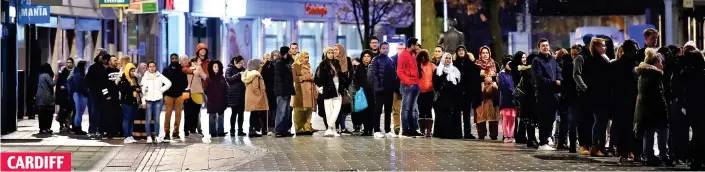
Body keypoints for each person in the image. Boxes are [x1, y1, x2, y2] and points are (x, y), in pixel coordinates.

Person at [634, 48, 670, 166]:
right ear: (655, 63)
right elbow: (658, 95)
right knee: (662, 130)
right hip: (655, 109)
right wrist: (664, 110)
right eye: (660, 62)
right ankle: (662, 154)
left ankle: (648, 155)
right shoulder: (655, 75)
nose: (662, 64)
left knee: (648, 132)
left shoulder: (643, 74)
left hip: (645, 108)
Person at [609, 40, 639, 163]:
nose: (636, 51)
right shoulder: (624, 65)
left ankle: (628, 152)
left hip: (626, 100)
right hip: (625, 100)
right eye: (634, 49)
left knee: (627, 128)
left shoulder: (634, 64)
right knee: (627, 128)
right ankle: (627, 152)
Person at [532, 39, 562, 150]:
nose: (545, 47)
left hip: (554, 93)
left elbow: (558, 71)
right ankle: (542, 142)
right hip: (543, 94)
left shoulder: (552, 59)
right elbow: (539, 79)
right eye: (543, 46)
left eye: (547, 45)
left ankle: (547, 138)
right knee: (544, 118)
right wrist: (553, 83)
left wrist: (559, 79)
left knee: (551, 118)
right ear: (539, 48)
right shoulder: (537, 60)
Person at [681, 49, 705, 170]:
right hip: (701, 106)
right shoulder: (702, 73)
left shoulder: (686, 73)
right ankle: (699, 158)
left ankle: (695, 159)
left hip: (691, 107)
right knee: (700, 133)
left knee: (696, 133)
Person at [316, 47, 347, 137]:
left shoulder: (336, 63)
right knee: (329, 110)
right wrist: (321, 87)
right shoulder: (323, 64)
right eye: (329, 52)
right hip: (328, 88)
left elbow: (340, 74)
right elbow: (319, 79)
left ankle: (330, 128)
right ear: (325, 54)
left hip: (338, 87)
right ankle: (331, 129)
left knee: (337, 109)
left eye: (332, 52)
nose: (331, 54)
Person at [368, 44, 397, 138]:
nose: (385, 50)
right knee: (378, 110)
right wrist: (377, 88)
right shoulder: (376, 60)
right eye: (383, 48)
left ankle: (388, 130)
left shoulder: (391, 60)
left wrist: (394, 87)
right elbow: (373, 75)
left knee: (388, 110)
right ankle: (376, 130)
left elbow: (394, 75)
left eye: (387, 48)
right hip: (380, 89)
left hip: (389, 89)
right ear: (380, 49)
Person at [397, 38, 423, 137]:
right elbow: (399, 72)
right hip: (407, 85)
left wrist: (417, 83)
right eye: (416, 45)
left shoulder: (413, 54)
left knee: (412, 109)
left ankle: (412, 129)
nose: (417, 47)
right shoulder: (403, 55)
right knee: (406, 108)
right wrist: (409, 82)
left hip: (415, 84)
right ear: (412, 45)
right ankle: (405, 129)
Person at [432, 53, 462, 139]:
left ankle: (454, 134)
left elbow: (459, 83)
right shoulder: (438, 70)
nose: (448, 60)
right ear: (443, 59)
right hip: (442, 97)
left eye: (449, 58)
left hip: (453, 97)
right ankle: (442, 133)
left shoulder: (455, 70)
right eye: (446, 58)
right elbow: (436, 84)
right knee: (443, 115)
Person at [453, 45, 480, 139]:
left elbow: (475, 76)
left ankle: (467, 133)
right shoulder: (454, 64)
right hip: (457, 93)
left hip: (467, 93)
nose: (461, 52)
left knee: (467, 114)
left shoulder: (470, 63)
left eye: (462, 50)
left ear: (465, 51)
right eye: (459, 50)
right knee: (456, 113)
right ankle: (457, 132)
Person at [141, 61, 172, 143]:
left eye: (153, 66)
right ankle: (148, 136)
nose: (152, 68)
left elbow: (169, 83)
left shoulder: (159, 76)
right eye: (150, 66)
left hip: (158, 100)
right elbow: (142, 91)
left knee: (157, 119)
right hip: (148, 100)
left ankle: (157, 136)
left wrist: (161, 90)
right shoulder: (144, 78)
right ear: (147, 68)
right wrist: (143, 102)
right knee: (148, 119)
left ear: (155, 67)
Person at [475, 46, 500, 140]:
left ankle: (494, 134)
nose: (485, 55)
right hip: (480, 93)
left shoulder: (494, 64)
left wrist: (492, 80)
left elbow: (498, 78)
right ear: (480, 54)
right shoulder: (476, 64)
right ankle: (481, 134)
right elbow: (473, 78)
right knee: (480, 113)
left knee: (493, 113)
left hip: (492, 94)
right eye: (483, 53)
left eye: (487, 53)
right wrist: (483, 79)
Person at [162, 53, 188, 139]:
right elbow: (162, 82)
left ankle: (176, 132)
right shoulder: (166, 70)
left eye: (175, 58)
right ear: (170, 59)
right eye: (172, 58)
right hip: (168, 95)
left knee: (178, 115)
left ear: (178, 59)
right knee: (167, 114)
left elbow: (185, 82)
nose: (174, 60)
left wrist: (182, 90)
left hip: (179, 95)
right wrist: (164, 93)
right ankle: (166, 132)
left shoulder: (182, 69)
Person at [292, 51, 317, 135]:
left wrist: (312, 78)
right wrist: (305, 77)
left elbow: (312, 76)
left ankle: (307, 128)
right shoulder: (295, 65)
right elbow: (294, 78)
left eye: (308, 57)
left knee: (308, 111)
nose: (307, 59)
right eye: (305, 57)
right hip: (300, 91)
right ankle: (298, 129)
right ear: (301, 58)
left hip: (309, 90)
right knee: (299, 111)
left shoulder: (309, 66)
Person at [242, 58, 268, 137]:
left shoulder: (248, 73)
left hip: (250, 97)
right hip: (255, 97)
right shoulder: (255, 75)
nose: (261, 65)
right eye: (259, 64)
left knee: (253, 114)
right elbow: (255, 87)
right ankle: (253, 131)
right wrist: (259, 95)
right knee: (255, 114)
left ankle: (252, 130)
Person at [274, 45, 296, 137]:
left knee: (287, 111)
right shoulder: (279, 63)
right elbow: (281, 78)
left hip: (287, 91)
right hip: (281, 91)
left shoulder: (287, 63)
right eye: (289, 53)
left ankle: (285, 129)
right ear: (285, 53)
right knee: (281, 111)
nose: (291, 54)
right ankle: (279, 130)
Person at [183, 56, 207, 138]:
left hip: (189, 93)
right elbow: (205, 77)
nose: (201, 61)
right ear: (196, 61)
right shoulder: (198, 67)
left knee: (189, 113)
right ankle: (193, 132)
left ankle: (188, 131)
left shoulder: (189, 68)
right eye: (200, 60)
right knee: (196, 113)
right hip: (196, 93)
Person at [117, 63, 141, 143]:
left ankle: (130, 135)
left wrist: (138, 89)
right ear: (128, 71)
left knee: (132, 119)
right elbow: (124, 90)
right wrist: (134, 88)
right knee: (126, 119)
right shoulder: (123, 80)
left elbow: (137, 88)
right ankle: (126, 136)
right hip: (126, 102)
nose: (133, 73)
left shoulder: (135, 79)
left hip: (134, 101)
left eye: (134, 71)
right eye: (131, 71)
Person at [334, 44, 355, 135]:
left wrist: (346, 85)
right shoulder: (332, 60)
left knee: (343, 108)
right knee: (336, 108)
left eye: (336, 50)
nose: (335, 52)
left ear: (341, 50)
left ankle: (342, 127)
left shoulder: (347, 60)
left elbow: (351, 73)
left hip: (344, 88)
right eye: (334, 50)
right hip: (334, 87)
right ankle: (339, 127)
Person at [204, 60, 227, 140]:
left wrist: (225, 99)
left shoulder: (222, 77)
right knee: (212, 117)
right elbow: (205, 90)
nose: (216, 68)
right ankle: (213, 133)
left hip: (221, 100)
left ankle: (220, 132)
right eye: (214, 67)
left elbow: (225, 89)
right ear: (211, 68)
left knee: (221, 117)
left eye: (217, 66)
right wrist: (210, 97)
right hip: (211, 101)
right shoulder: (208, 78)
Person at [355, 50, 375, 136]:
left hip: (372, 92)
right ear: (362, 58)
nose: (366, 58)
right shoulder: (359, 67)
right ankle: (366, 128)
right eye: (364, 56)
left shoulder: (374, 66)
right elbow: (356, 79)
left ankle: (371, 129)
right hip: (362, 92)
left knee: (372, 111)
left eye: (368, 56)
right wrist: (358, 88)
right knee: (364, 111)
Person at [226, 56, 247, 136]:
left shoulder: (244, 69)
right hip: (233, 95)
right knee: (234, 113)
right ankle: (232, 130)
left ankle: (240, 130)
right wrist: (238, 75)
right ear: (235, 62)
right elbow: (228, 79)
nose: (241, 64)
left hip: (242, 94)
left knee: (241, 114)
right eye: (240, 63)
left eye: (242, 63)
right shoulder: (229, 69)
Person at [388, 43, 406, 137]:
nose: (401, 50)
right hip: (396, 88)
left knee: (408, 108)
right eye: (399, 48)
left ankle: (407, 126)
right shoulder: (391, 59)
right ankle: (397, 126)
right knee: (396, 108)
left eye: (402, 48)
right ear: (396, 49)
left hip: (407, 86)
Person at [417, 50, 436, 137]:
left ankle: (429, 130)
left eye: (424, 56)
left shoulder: (432, 66)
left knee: (428, 110)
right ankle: (422, 129)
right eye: (421, 57)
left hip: (429, 92)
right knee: (421, 111)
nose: (423, 58)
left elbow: (436, 78)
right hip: (419, 92)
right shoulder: (417, 66)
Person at [498, 57, 517, 143]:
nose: (510, 66)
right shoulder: (501, 74)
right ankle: (506, 135)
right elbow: (502, 86)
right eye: (508, 64)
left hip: (513, 100)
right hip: (505, 99)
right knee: (506, 118)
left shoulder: (513, 73)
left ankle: (511, 135)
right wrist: (512, 91)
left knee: (512, 118)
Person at [35, 63, 58, 134]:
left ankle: (42, 128)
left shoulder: (40, 76)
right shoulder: (46, 75)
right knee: (48, 114)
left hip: (39, 98)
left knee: (41, 114)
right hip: (47, 98)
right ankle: (47, 128)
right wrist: (56, 78)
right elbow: (52, 84)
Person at [103, 56, 122, 138]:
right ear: (109, 62)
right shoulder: (105, 71)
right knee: (108, 114)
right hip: (109, 96)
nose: (116, 61)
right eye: (114, 60)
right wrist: (106, 95)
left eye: (116, 60)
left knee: (117, 114)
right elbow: (102, 84)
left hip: (117, 96)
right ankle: (108, 131)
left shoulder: (119, 71)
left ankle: (116, 131)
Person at [69, 60, 89, 135]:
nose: (85, 67)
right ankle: (77, 128)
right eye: (85, 66)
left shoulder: (76, 74)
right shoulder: (79, 75)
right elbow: (79, 86)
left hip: (78, 94)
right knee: (78, 112)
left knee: (79, 112)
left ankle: (77, 127)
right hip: (79, 94)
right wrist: (85, 92)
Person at [56, 58, 75, 133]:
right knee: (63, 111)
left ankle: (68, 126)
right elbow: (60, 83)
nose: (68, 64)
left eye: (70, 62)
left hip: (70, 95)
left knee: (69, 111)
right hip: (63, 96)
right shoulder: (64, 72)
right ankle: (62, 126)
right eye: (67, 62)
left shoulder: (74, 72)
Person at [262, 51, 278, 135]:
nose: (268, 60)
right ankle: (266, 128)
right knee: (266, 111)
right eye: (266, 59)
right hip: (266, 91)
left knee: (273, 109)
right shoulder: (264, 67)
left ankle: (273, 127)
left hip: (273, 91)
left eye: (269, 58)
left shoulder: (273, 66)